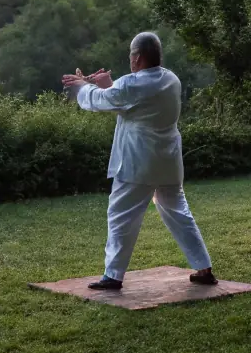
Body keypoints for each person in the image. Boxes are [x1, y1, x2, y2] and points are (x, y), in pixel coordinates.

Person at [62, 31, 216, 291]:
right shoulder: (171, 79)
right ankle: (203, 267)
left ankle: (113, 276)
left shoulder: (130, 84)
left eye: (131, 56)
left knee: (121, 215)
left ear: (137, 58)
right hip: (167, 161)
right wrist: (110, 85)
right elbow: (129, 101)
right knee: (179, 213)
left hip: (137, 162)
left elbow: (101, 101)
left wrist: (81, 85)